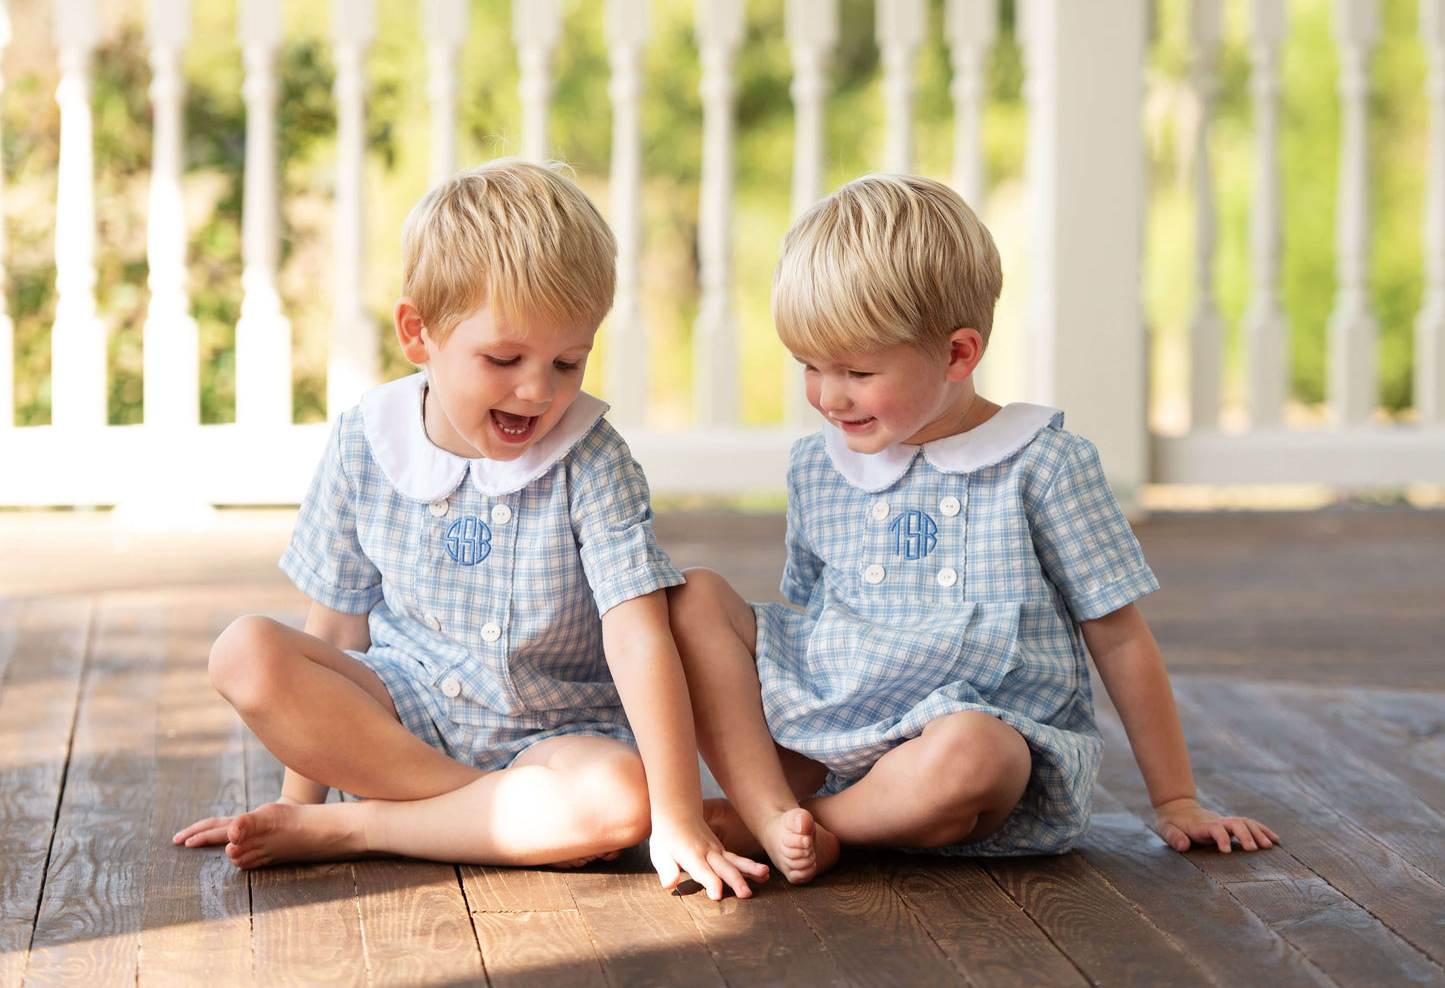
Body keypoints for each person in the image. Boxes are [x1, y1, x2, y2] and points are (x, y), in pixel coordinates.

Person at [174, 160, 767, 901]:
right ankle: (485, 817)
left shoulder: (594, 459)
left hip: (554, 740)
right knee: (245, 651)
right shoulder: (368, 440)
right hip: (401, 717)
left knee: (623, 798)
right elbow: (334, 632)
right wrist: (296, 805)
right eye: (503, 358)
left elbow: (638, 634)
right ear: (418, 332)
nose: (537, 389)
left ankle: (369, 829)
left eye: (567, 361)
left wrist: (677, 817)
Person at [668, 173, 1279, 884]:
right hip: (832, 726)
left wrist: (1176, 799)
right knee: (693, 595)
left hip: (958, 758)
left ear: (959, 353)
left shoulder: (1043, 465)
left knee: (975, 753)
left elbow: (1119, 636)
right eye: (808, 366)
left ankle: (788, 828)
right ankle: (775, 806)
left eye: (857, 371)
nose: (828, 396)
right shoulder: (818, 466)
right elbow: (807, 624)